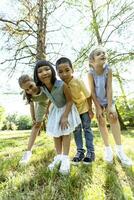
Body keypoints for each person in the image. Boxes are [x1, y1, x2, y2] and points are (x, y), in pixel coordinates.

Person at [34, 60, 81, 174]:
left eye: (47, 69)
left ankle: (65, 158)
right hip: (55, 111)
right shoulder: (43, 87)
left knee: (65, 132)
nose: (44, 73)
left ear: (52, 71)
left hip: (67, 109)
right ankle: (59, 156)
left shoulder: (61, 85)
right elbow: (49, 98)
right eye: (40, 71)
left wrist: (65, 117)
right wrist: (47, 109)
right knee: (56, 134)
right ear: (37, 75)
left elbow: (70, 101)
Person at [88, 47, 132, 166]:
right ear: (92, 60)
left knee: (113, 117)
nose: (103, 54)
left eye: (104, 53)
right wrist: (97, 107)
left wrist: (109, 106)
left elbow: (109, 88)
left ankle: (119, 150)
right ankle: (107, 149)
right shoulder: (90, 73)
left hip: (108, 99)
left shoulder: (109, 70)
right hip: (97, 100)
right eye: (98, 54)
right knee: (101, 121)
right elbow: (92, 92)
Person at [55, 57, 95, 165]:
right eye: (60, 72)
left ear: (72, 70)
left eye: (67, 70)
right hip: (73, 112)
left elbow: (88, 95)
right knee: (76, 131)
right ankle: (80, 152)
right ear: (57, 74)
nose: (64, 74)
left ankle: (91, 152)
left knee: (87, 129)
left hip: (84, 108)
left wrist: (90, 109)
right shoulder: (59, 85)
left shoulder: (78, 81)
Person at [18, 75, 48, 165]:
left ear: (34, 81)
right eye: (27, 89)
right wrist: (33, 119)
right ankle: (28, 152)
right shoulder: (28, 94)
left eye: (31, 86)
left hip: (51, 101)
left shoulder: (43, 86)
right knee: (36, 125)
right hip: (41, 104)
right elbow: (32, 106)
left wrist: (48, 111)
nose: (30, 90)